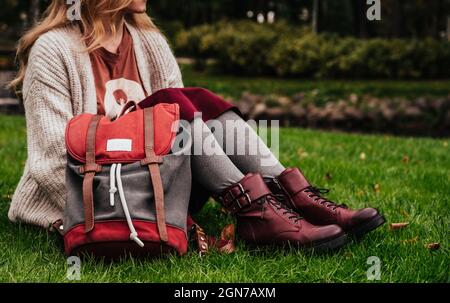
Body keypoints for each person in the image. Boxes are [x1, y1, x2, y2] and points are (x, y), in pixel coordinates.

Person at [9, 0, 384, 252]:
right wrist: (139, 209)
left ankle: (292, 200)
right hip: (104, 195)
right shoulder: (52, 50)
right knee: (174, 102)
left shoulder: (149, 42)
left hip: (158, 179)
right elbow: (51, 163)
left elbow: (185, 131)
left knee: (191, 101)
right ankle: (262, 213)